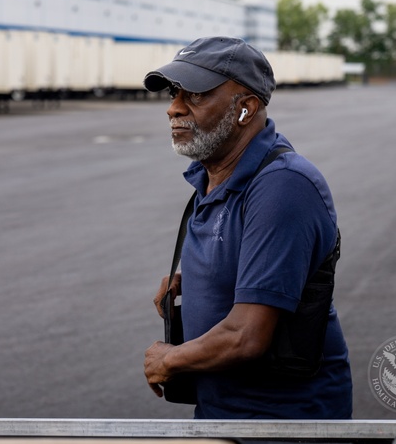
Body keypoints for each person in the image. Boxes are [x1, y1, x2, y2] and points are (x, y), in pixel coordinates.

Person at [142, 36, 352, 419]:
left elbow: (246, 336)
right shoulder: (213, 178)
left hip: (283, 427)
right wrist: (201, 279)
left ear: (245, 109)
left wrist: (169, 360)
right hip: (221, 415)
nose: (174, 109)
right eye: (174, 93)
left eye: (196, 95)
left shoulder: (282, 186)